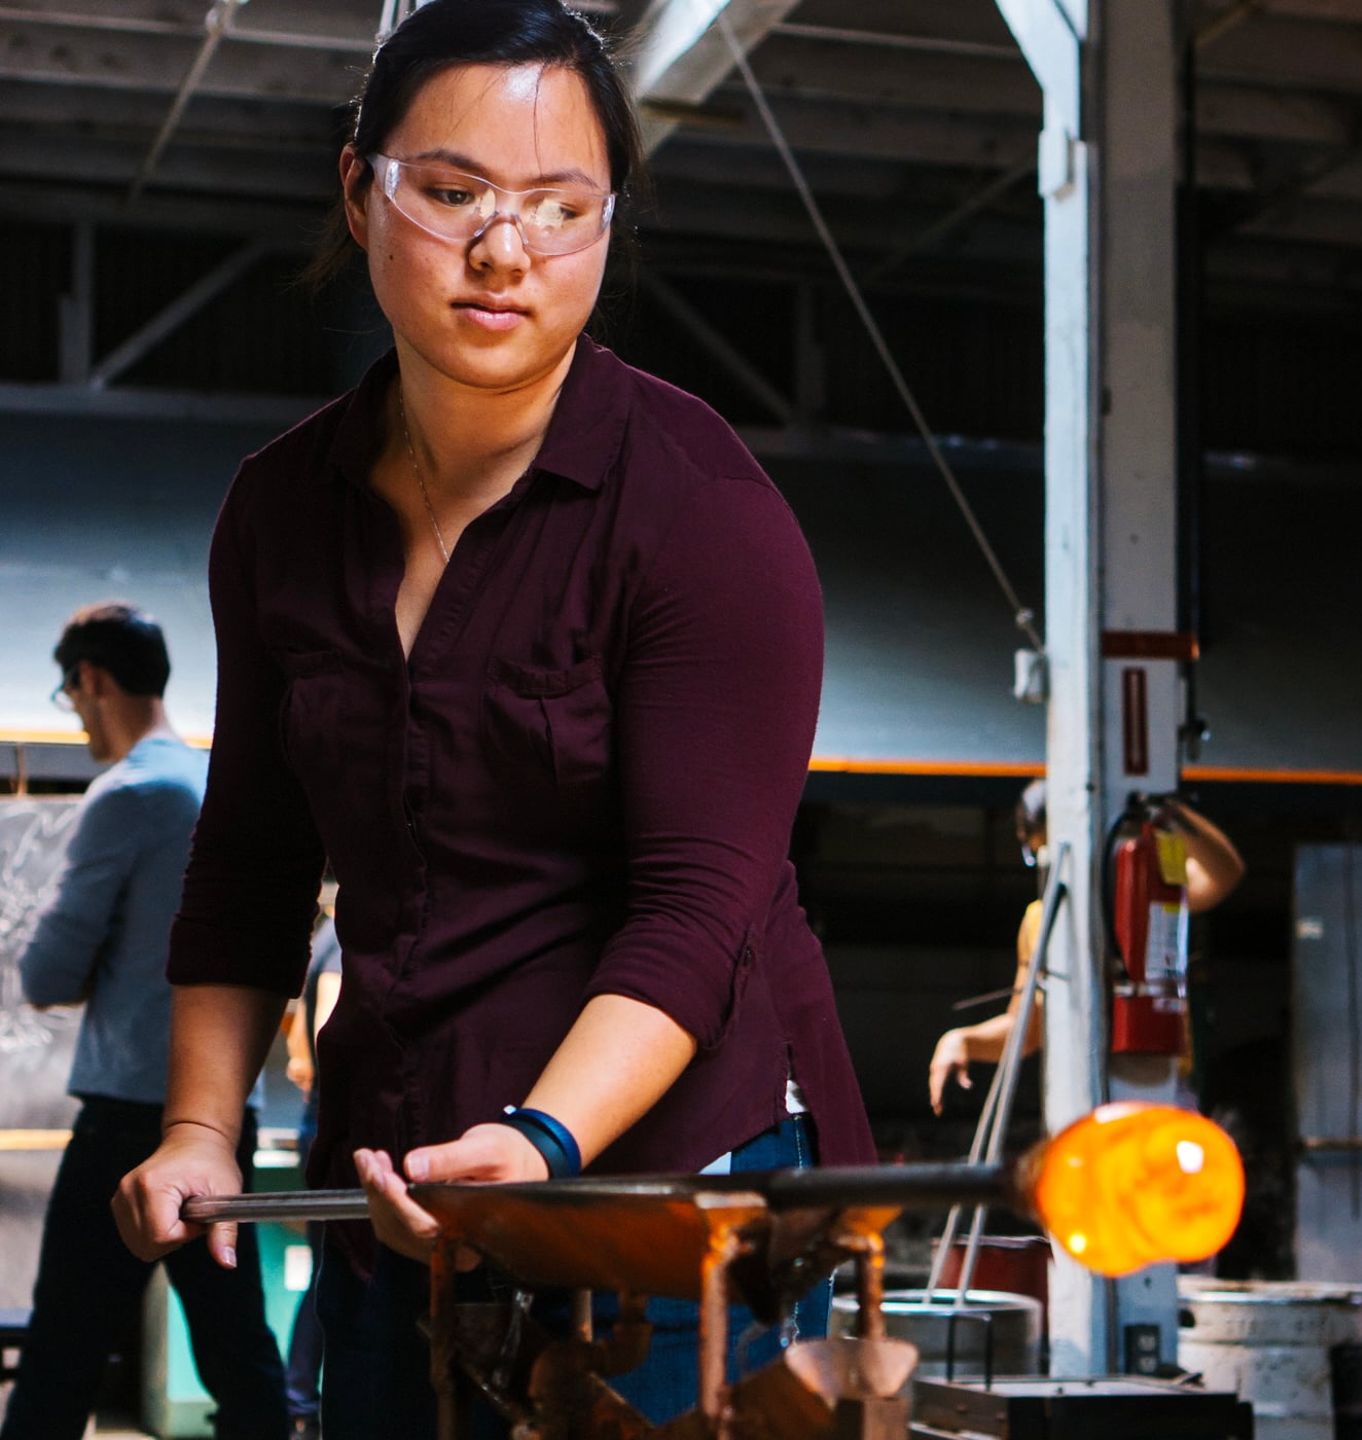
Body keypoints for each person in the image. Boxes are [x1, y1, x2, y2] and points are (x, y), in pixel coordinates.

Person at [111, 5, 874, 1437]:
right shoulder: (280, 511)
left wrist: (540, 1141)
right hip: (394, 1168)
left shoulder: (704, 516)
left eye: (558, 206)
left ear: (607, 222)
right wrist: (200, 1129)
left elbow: (696, 908)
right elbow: (253, 861)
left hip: (664, 1188)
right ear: (361, 189)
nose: (503, 251)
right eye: (453, 193)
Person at [2, 603, 287, 1440]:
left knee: (63, 1350)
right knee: (241, 1353)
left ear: (91, 680)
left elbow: (47, 975)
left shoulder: (128, 795)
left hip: (130, 1118)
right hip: (223, 1112)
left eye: (71, 693)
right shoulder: (217, 784)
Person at [928, 779, 1246, 1112]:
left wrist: (1169, 812)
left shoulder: (1142, 893)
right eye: (1040, 856)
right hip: (1081, 1098)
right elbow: (1027, 1030)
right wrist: (962, 1039)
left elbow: (1223, 873)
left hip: (1162, 1094)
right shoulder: (1040, 920)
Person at [280, 916, 342, 1440]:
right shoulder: (346, 937)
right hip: (339, 1123)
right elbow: (325, 1029)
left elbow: (300, 1052)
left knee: (330, 1264)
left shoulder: (325, 933)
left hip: (318, 1118)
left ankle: (299, 1398)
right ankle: (301, 1401)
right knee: (339, 1266)